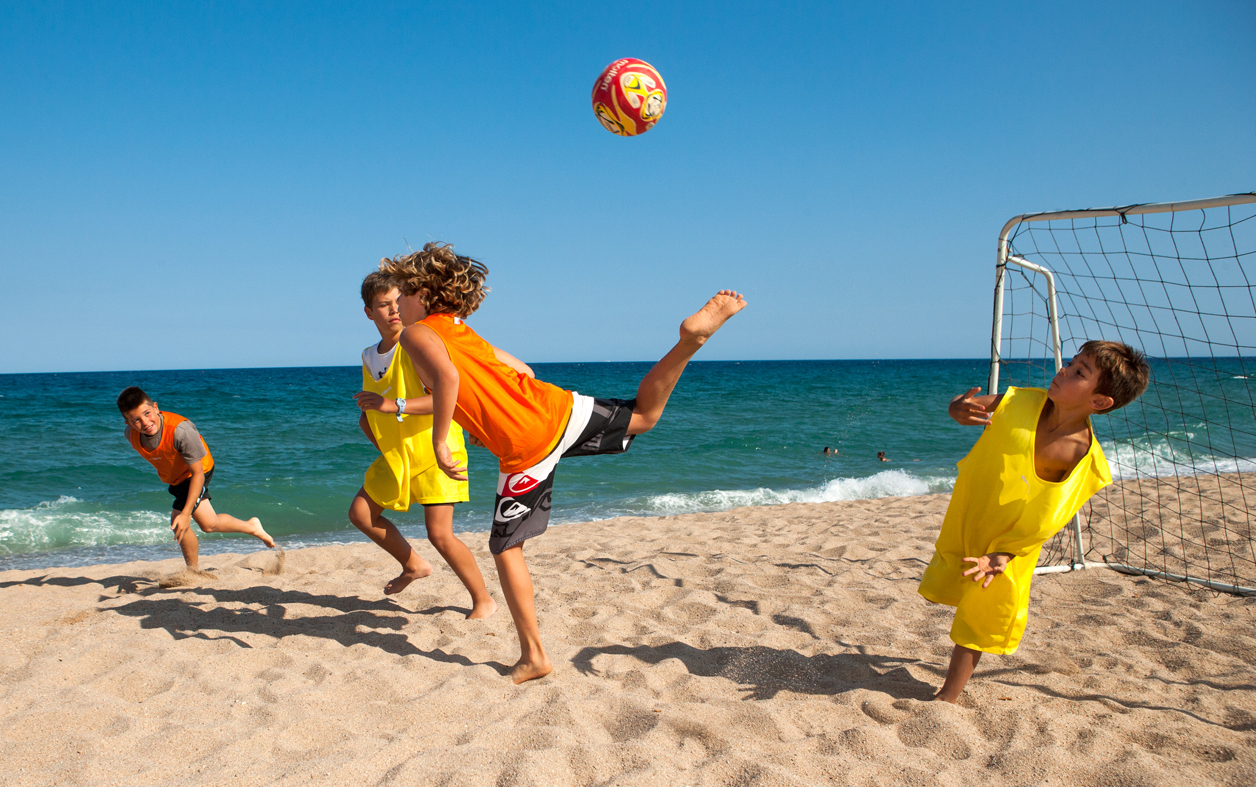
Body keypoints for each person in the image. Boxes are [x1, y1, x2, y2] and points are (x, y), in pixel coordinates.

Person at [382, 242, 746, 684]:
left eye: (401, 293)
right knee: (644, 417)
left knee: (504, 548)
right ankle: (689, 342)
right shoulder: (458, 328)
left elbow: (448, 380)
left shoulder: (418, 335)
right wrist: (483, 422)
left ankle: (534, 656)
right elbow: (523, 373)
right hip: (557, 409)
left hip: (526, 447)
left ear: (423, 293)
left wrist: (443, 441)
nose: (397, 303)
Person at [918, 341, 1150, 703]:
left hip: (1012, 541)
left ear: (1100, 401)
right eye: (1070, 363)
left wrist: (1006, 554)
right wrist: (958, 409)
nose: (1063, 371)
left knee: (981, 614)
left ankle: (948, 696)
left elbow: (1051, 514)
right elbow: (966, 406)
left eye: (1079, 373)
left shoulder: (1079, 452)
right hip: (972, 516)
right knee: (952, 580)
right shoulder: (1022, 401)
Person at [349, 272, 496, 617]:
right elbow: (375, 405)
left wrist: (393, 406)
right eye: (384, 305)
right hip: (399, 456)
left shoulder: (416, 344)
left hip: (436, 450)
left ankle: (483, 599)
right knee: (360, 513)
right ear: (369, 312)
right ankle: (414, 565)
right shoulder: (369, 356)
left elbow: (447, 396)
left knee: (440, 534)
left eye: (398, 302)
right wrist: (372, 422)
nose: (394, 310)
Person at [117, 387, 275, 570]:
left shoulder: (181, 431)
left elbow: (198, 473)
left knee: (179, 521)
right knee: (209, 525)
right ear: (127, 423)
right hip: (176, 477)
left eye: (147, 413)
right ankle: (252, 526)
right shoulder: (131, 435)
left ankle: (192, 571)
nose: (145, 422)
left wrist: (185, 514)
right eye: (136, 420)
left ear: (155, 407)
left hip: (197, 471)